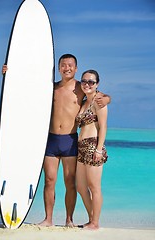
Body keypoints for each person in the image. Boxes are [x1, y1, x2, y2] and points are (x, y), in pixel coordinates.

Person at [2, 54, 111, 227]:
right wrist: (11, 74)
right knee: (49, 181)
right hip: (51, 140)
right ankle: (48, 219)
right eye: (63, 65)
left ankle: (69, 220)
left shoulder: (81, 87)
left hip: (70, 140)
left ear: (75, 68)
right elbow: (27, 89)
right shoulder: (50, 88)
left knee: (70, 182)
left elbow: (98, 95)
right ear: (58, 68)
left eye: (70, 65)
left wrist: (106, 98)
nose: (66, 68)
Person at [75, 69, 108, 230]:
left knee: (94, 187)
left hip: (93, 145)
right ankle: (91, 219)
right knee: (81, 187)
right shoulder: (84, 101)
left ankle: (95, 223)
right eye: (84, 81)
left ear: (97, 84)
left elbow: (103, 127)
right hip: (81, 147)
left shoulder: (99, 100)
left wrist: (99, 149)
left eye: (91, 82)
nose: (87, 84)